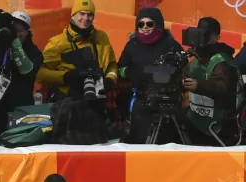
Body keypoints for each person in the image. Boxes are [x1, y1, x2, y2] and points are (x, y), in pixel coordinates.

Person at [0, 10, 42, 144]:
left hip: (17, 112)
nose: (17, 33)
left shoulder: (34, 52)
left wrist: (15, 42)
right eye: (14, 29)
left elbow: (27, 70)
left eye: (21, 30)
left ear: (27, 32)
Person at [116, 8, 183, 144]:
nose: (145, 27)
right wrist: (130, 72)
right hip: (142, 102)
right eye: (141, 24)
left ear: (158, 24)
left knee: (168, 142)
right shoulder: (132, 45)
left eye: (149, 24)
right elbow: (120, 69)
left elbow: (183, 68)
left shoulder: (172, 45)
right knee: (140, 141)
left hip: (169, 103)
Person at [37, 0, 118, 101]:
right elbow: (39, 73)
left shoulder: (102, 37)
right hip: (69, 100)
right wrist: (65, 77)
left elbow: (111, 65)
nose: (86, 18)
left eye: (90, 15)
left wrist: (110, 79)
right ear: (73, 15)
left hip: (97, 97)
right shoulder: (57, 43)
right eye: (82, 14)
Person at [183, 18, 242, 147]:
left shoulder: (221, 60)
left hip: (217, 126)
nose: (203, 37)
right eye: (200, 33)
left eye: (207, 34)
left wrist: (199, 85)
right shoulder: (195, 59)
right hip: (195, 120)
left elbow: (223, 87)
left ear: (217, 37)